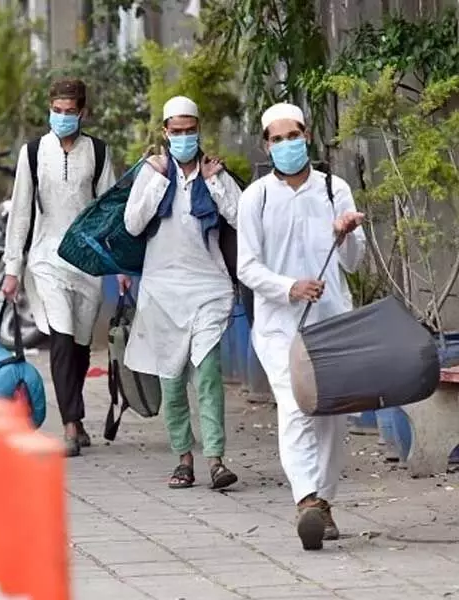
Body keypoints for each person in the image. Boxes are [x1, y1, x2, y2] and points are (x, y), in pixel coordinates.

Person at [236, 102, 366, 551]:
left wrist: (344, 234)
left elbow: (354, 262)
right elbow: (247, 267)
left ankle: (323, 504)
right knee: (294, 404)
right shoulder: (256, 198)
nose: (287, 144)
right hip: (278, 326)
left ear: (307, 136)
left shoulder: (335, 189)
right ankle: (305, 497)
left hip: (332, 322)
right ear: (265, 145)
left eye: (294, 136)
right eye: (278, 138)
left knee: (331, 413)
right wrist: (289, 287)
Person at [123, 96, 243, 490]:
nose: (184, 138)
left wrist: (213, 182)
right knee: (172, 381)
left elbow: (242, 217)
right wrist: (157, 177)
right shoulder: (152, 172)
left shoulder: (215, 173)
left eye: (190, 131)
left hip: (208, 288)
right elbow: (133, 224)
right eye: (177, 132)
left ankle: (216, 460)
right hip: (161, 291)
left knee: (207, 374)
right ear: (165, 133)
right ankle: (183, 458)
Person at [1, 77, 115, 457]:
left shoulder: (98, 153)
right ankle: (69, 425)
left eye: (70, 112)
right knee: (62, 338)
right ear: (49, 109)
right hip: (47, 258)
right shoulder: (33, 153)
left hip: (87, 263)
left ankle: (76, 417)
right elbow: (20, 212)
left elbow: (109, 210)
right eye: (57, 111)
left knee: (80, 345)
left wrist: (119, 263)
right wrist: (13, 268)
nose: (63, 118)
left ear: (83, 112)